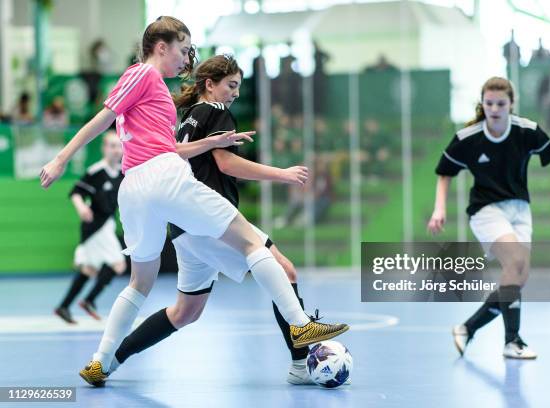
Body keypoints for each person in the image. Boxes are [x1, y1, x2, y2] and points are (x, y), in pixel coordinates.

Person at [39, 16, 349, 387]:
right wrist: (61, 158)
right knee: (251, 242)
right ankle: (300, 326)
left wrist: (210, 143)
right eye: (183, 49)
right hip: (163, 178)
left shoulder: (160, 98)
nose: (186, 58)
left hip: (135, 187)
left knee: (141, 283)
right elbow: (103, 118)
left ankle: (100, 363)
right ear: (161, 46)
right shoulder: (143, 74)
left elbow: (169, 146)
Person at [107, 54, 327, 385]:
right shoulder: (216, 111)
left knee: (185, 312)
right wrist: (281, 174)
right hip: (211, 219)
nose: (235, 93)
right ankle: (300, 365)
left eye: (239, 87)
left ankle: (111, 359)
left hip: (184, 227)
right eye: (231, 85)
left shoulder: (186, 118)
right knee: (284, 269)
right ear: (210, 85)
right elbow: (226, 164)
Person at [427, 77, 550, 359]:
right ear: (483, 104)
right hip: (486, 210)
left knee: (517, 277)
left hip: (519, 209)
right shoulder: (468, 138)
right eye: (489, 103)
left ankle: (467, 328)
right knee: (516, 261)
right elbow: (444, 173)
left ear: (511, 105)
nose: (494, 108)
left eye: (500, 103)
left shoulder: (526, 131)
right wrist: (439, 208)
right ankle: (512, 341)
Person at [54, 130, 126, 324]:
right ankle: (89, 300)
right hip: (95, 226)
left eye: (119, 146)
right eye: (111, 146)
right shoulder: (96, 171)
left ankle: (64, 306)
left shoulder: (123, 172)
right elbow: (76, 192)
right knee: (118, 264)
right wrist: (81, 208)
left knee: (89, 269)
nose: (116, 150)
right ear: (104, 148)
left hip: (108, 224)